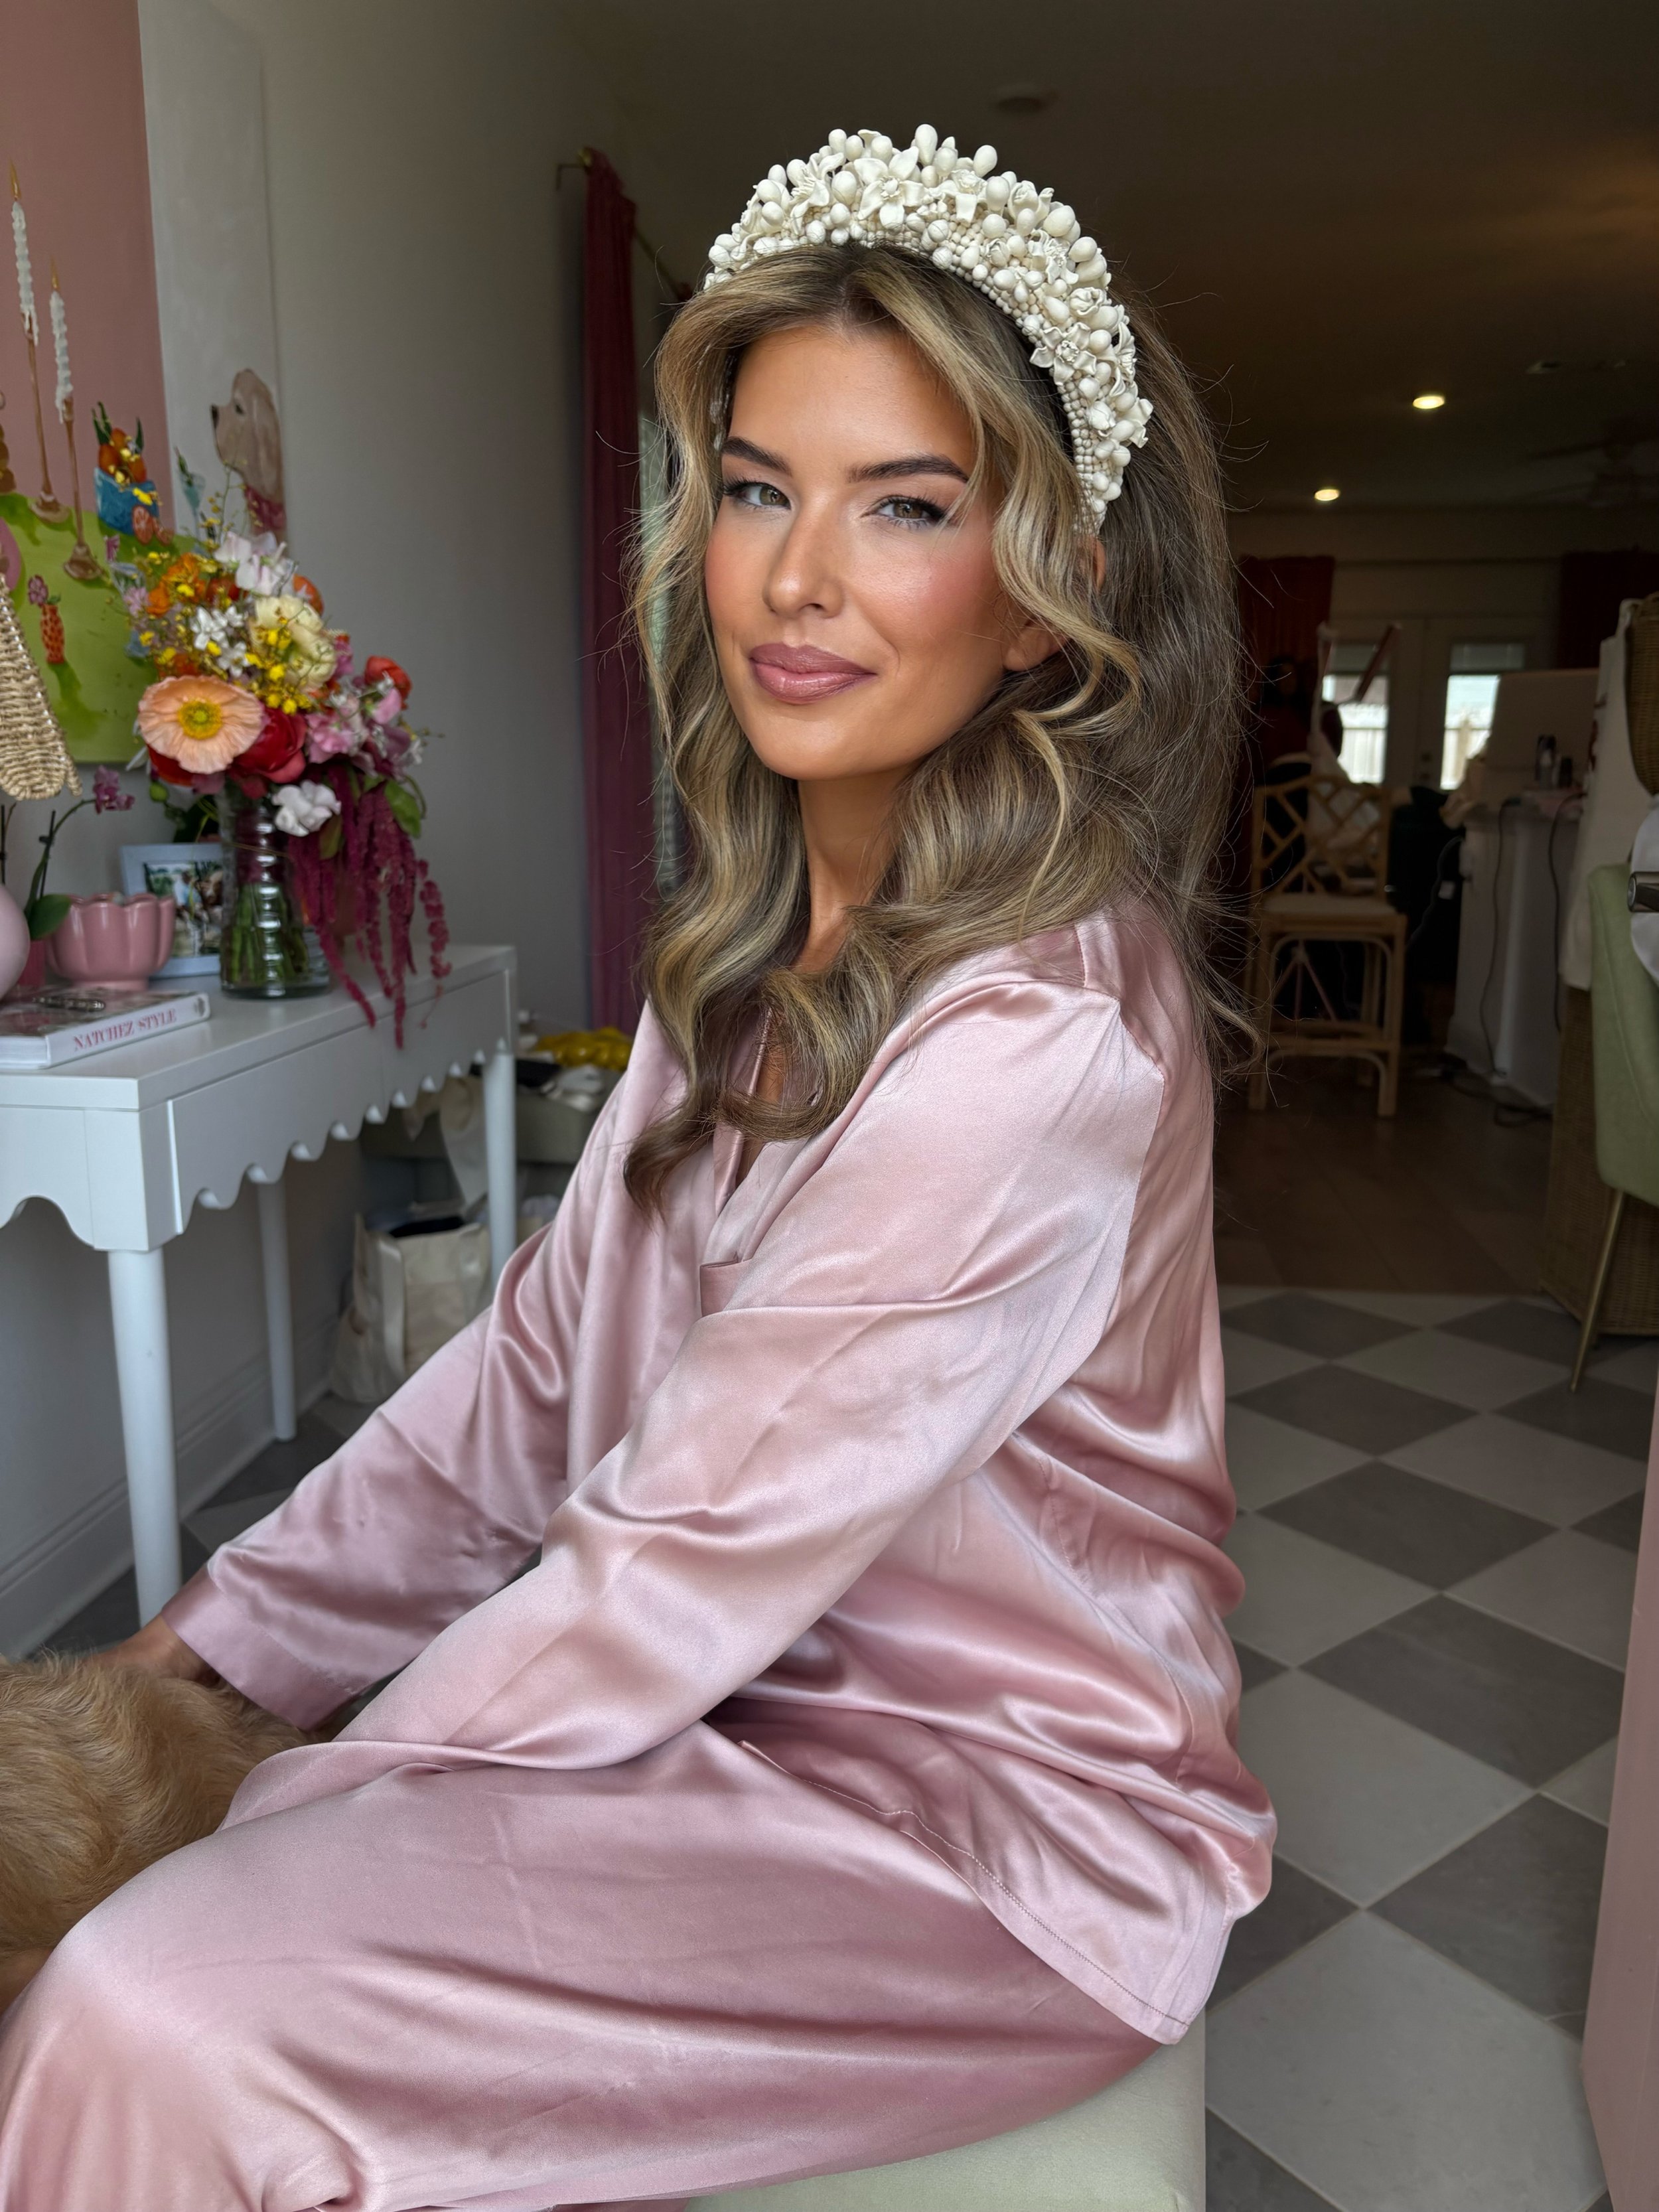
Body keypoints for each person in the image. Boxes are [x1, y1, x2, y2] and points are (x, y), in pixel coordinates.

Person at [0, 127, 1273, 2211]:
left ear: (1049, 605)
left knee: (158, 2006)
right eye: (761, 489)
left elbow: (667, 1564)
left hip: (978, 1832)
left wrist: (273, 1802)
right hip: (725, 1718)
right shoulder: (747, 950)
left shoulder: (1033, 1044)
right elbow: (524, 1387)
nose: (794, 577)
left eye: (908, 509)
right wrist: (210, 1651)